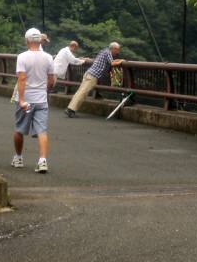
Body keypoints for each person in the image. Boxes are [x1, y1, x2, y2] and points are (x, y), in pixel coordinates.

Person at [12, 27, 55, 173]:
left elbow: (22, 79)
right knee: (42, 130)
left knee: (19, 129)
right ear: (40, 40)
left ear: (27, 40)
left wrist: (22, 100)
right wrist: (46, 90)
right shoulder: (49, 57)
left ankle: (18, 158)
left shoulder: (22, 57)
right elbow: (51, 79)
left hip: (26, 100)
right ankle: (42, 161)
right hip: (42, 99)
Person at [65, 41, 124, 117]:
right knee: (82, 93)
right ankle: (71, 110)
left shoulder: (104, 51)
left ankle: (70, 109)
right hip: (92, 76)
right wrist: (122, 61)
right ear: (113, 48)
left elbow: (111, 61)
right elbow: (112, 63)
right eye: (117, 50)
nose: (117, 52)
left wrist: (118, 60)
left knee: (80, 92)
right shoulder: (108, 53)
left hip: (89, 73)